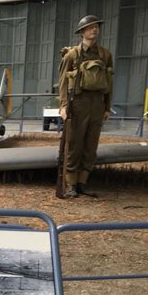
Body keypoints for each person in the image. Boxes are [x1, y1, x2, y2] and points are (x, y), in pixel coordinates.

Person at [58, 15, 114, 197]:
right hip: (78, 104)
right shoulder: (72, 55)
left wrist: (107, 107)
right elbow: (63, 83)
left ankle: (82, 182)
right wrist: (63, 105)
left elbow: (109, 83)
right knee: (74, 145)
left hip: (97, 104)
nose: (94, 30)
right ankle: (71, 184)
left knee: (91, 146)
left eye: (96, 26)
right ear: (82, 32)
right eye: (90, 27)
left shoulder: (105, 55)